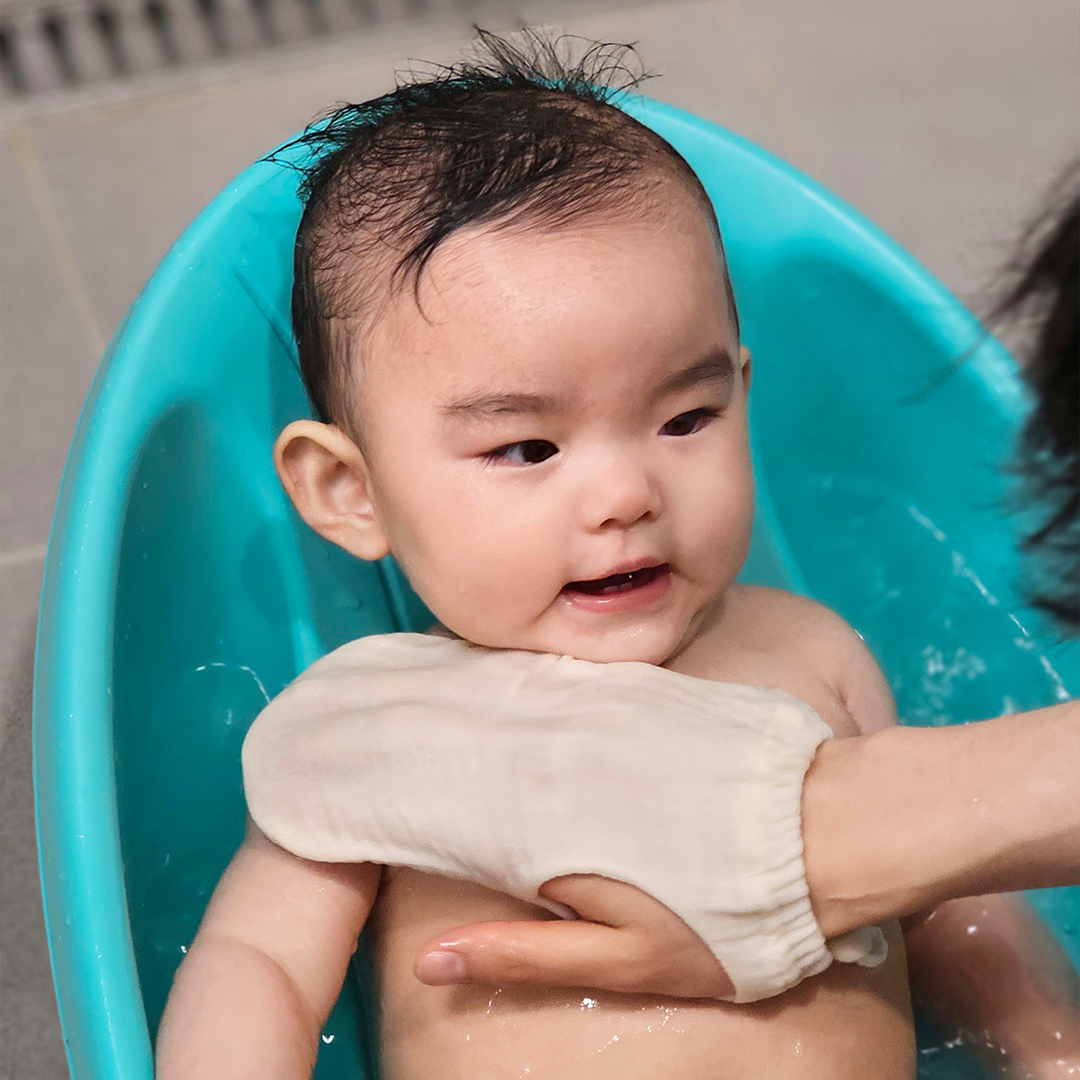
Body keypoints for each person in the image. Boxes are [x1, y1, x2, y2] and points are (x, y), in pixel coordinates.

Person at [155, 32, 1080, 1080]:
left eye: (685, 418)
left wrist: (1049, 1044)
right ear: (352, 491)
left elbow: (946, 884)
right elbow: (259, 964)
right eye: (528, 448)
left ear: (744, 386)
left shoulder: (808, 649)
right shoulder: (369, 721)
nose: (628, 495)